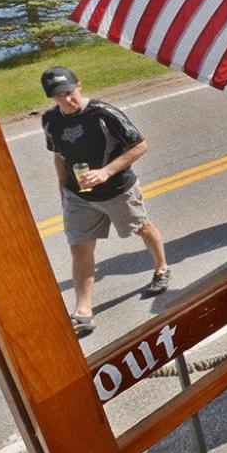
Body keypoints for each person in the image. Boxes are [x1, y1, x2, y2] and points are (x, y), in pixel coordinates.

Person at [40, 66, 171, 336]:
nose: (67, 100)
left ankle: (161, 267)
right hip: (79, 197)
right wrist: (63, 190)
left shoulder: (103, 113)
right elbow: (59, 156)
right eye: (59, 96)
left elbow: (140, 145)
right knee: (79, 249)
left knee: (141, 228)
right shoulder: (51, 120)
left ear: (80, 85)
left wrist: (106, 172)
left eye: (69, 92)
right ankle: (83, 310)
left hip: (117, 190)